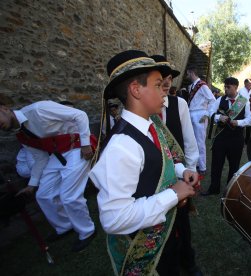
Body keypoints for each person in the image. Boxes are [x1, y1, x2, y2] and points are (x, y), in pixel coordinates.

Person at [89, 50, 198, 275]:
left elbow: (162, 160)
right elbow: (114, 218)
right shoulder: (122, 146)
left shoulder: (149, 126)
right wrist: (173, 195)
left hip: (165, 237)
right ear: (136, 90)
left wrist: (181, 170)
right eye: (158, 85)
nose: (164, 94)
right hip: (146, 252)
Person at [0, 100, 96, 252]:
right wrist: (32, 185)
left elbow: (80, 115)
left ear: (4, 109)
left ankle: (87, 231)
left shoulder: (38, 110)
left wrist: (85, 144)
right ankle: (65, 226)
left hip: (76, 147)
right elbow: (40, 158)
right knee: (43, 195)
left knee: (69, 196)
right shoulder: (21, 134)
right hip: (55, 156)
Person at [150, 54, 202, 276]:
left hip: (180, 174)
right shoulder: (146, 109)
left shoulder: (179, 103)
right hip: (156, 178)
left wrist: (189, 171)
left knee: (182, 223)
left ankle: (188, 262)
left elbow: (189, 142)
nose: (168, 80)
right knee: (159, 225)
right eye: (162, 76)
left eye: (170, 76)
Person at [202, 77, 251, 196]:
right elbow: (210, 112)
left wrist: (238, 123)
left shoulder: (244, 101)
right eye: (225, 86)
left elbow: (250, 119)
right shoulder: (220, 99)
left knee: (234, 165)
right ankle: (214, 188)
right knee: (216, 164)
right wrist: (219, 117)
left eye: (228, 87)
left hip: (236, 138)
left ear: (235, 87)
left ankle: (230, 191)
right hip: (221, 137)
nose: (225, 89)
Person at [186, 66, 216, 175]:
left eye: (188, 73)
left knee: (200, 142)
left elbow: (213, 100)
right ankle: (196, 164)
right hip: (191, 113)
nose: (187, 75)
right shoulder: (191, 86)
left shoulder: (202, 86)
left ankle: (202, 167)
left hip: (200, 114)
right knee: (192, 141)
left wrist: (207, 114)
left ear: (192, 72)